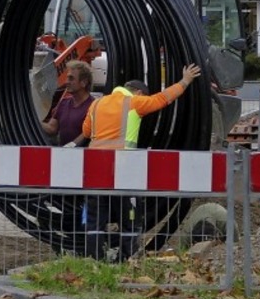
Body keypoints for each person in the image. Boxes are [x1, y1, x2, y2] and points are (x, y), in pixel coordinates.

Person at [68, 63, 201, 260]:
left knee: (95, 218)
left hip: (95, 167)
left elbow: (87, 132)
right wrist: (186, 80)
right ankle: (127, 259)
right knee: (129, 216)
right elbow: (162, 99)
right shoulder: (134, 103)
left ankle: (92, 260)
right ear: (138, 92)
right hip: (123, 168)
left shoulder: (96, 104)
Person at [42, 60, 95, 146]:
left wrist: (71, 146)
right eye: (67, 78)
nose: (66, 82)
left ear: (84, 82)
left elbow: (87, 133)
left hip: (82, 157)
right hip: (63, 155)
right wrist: (33, 119)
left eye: (71, 78)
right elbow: (52, 129)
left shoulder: (94, 106)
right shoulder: (63, 103)